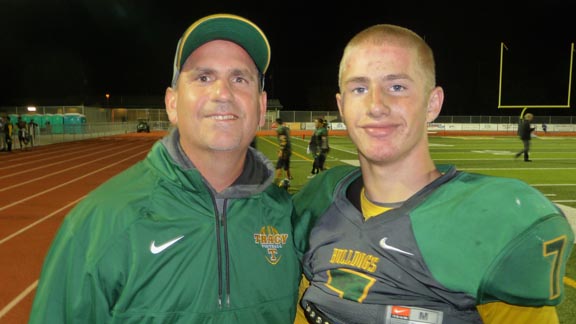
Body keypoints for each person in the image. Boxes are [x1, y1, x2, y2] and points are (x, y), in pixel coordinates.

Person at [29, 13, 303, 324]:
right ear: (172, 104)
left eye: (240, 79)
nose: (223, 93)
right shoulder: (99, 223)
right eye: (203, 77)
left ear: (262, 107)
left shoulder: (287, 220)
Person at [292, 24, 574, 324]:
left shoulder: (489, 222)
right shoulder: (319, 203)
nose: (376, 105)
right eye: (359, 88)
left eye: (396, 87)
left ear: (433, 103)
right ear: (341, 105)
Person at [275, 117, 293, 186]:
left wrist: (281, 150)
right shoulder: (286, 128)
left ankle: (275, 183)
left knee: (279, 166)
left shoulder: (280, 129)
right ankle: (288, 180)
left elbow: (283, 140)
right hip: (288, 149)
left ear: (276, 123)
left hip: (285, 151)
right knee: (286, 166)